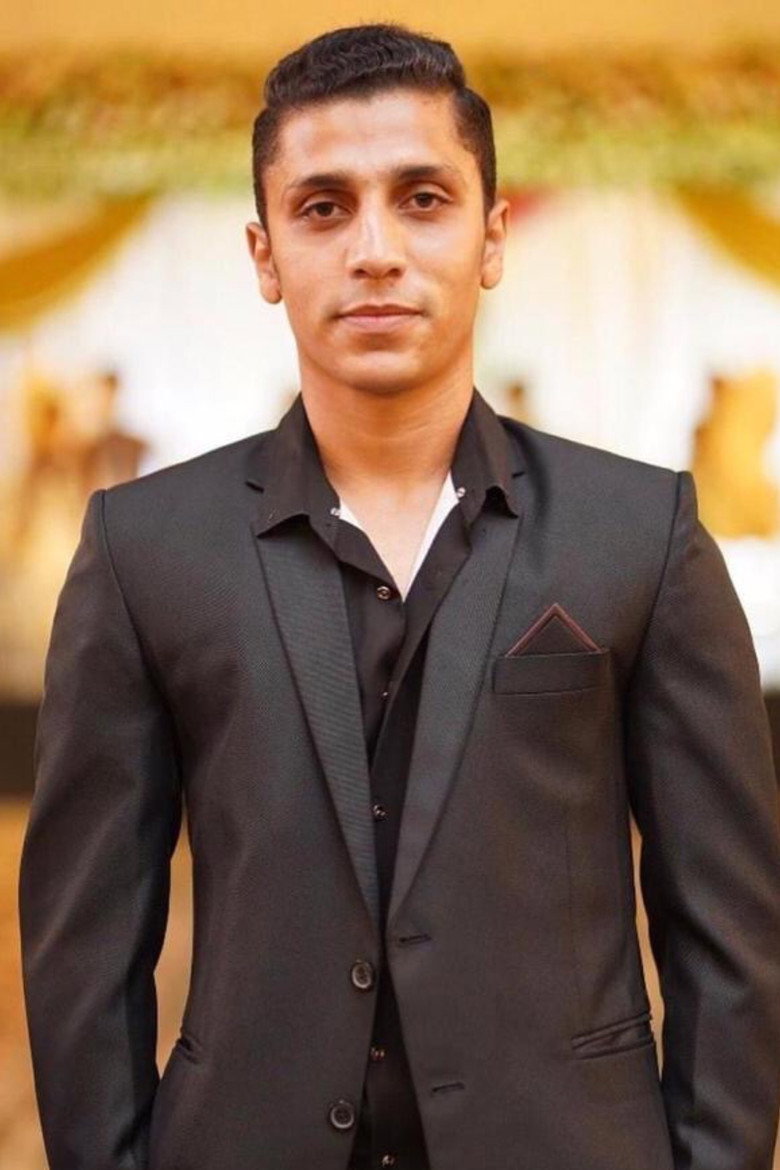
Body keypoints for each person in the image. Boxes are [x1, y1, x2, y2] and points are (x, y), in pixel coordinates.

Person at [18, 22, 780, 1170]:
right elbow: (84, 946)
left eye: (422, 199)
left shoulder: (642, 532)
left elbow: (730, 935)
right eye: (324, 207)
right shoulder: (144, 548)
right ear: (265, 254)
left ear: (492, 235)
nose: (375, 250)